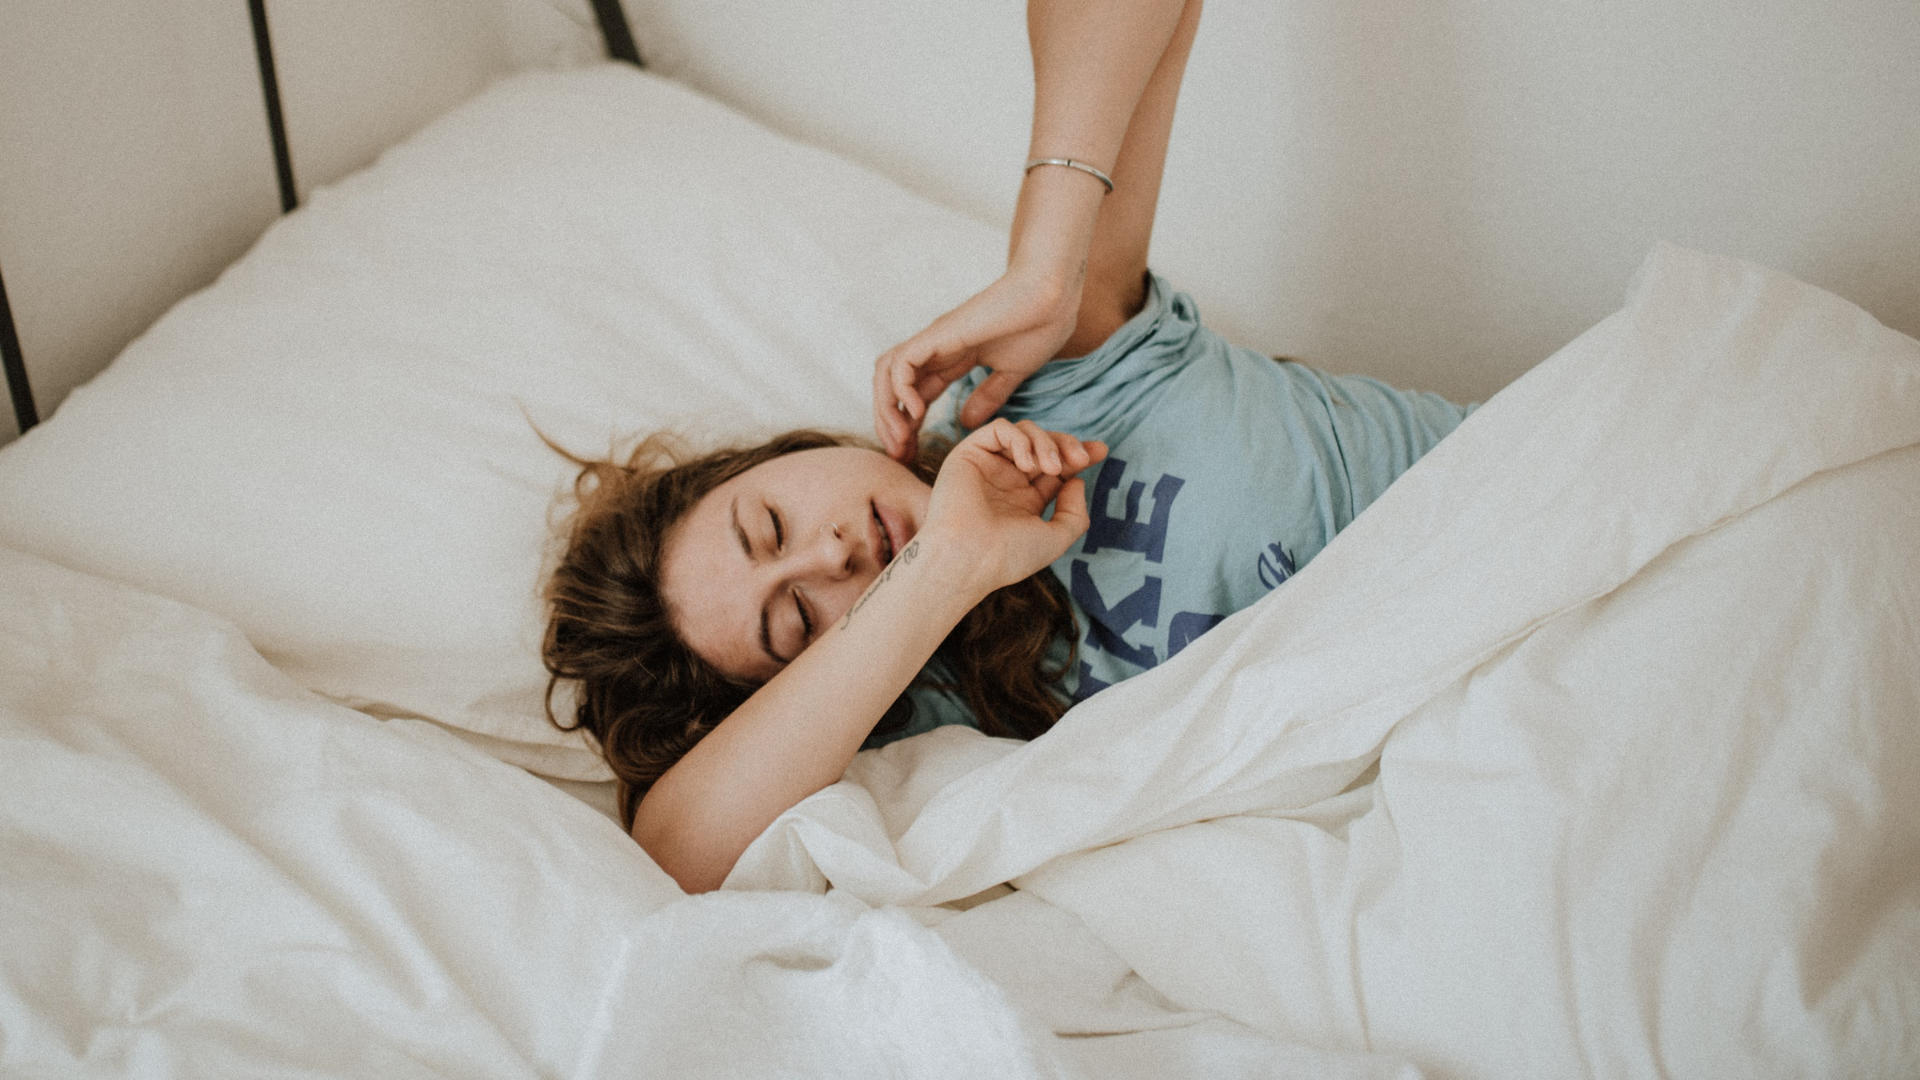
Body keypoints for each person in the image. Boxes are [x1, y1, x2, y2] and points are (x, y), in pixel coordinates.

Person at [542, 0, 1472, 894]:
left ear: (779, 456)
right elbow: (675, 856)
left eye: (773, 524)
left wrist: (1044, 264)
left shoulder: (1042, 382)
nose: (830, 556)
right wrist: (943, 567)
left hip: (1518, 516)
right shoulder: (930, 711)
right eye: (798, 623)